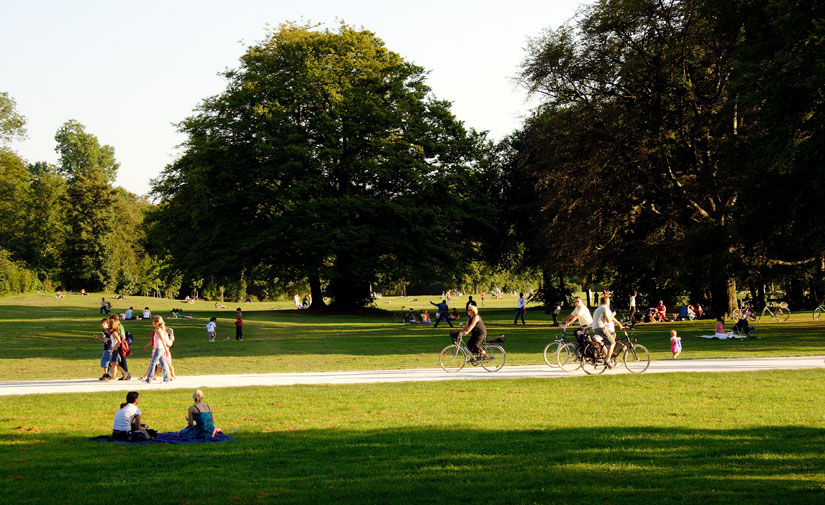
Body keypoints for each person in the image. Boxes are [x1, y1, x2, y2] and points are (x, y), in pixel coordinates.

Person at [592, 295, 623, 366]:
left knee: (611, 335)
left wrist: (618, 324)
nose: (609, 303)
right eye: (609, 301)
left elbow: (610, 318)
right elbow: (608, 320)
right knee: (612, 343)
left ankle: (605, 353)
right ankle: (607, 360)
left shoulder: (599, 308)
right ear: (607, 302)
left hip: (595, 328)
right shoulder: (605, 308)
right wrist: (613, 314)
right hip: (600, 328)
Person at [143, 316, 172, 383]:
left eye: (153, 321)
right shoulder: (157, 330)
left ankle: (149, 379)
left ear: (156, 322)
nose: (152, 322)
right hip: (159, 349)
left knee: (153, 363)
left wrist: (166, 350)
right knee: (163, 364)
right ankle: (167, 378)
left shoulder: (159, 330)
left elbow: (163, 340)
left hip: (159, 349)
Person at [107, 315, 131, 381]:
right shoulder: (114, 332)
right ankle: (123, 374)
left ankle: (124, 373)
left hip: (115, 349)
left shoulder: (114, 332)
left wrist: (113, 349)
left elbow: (119, 341)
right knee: (113, 363)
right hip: (115, 349)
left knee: (114, 363)